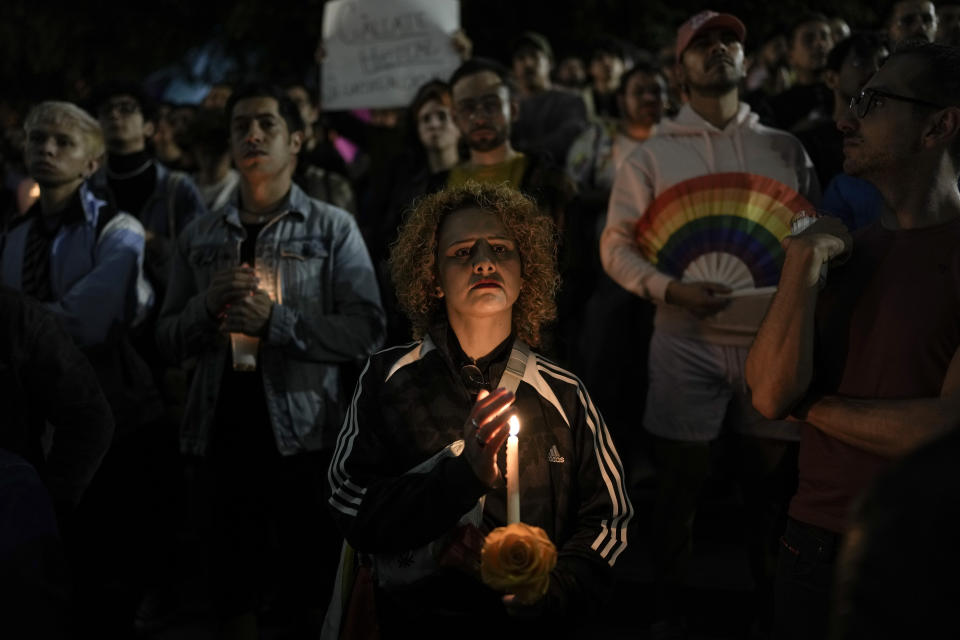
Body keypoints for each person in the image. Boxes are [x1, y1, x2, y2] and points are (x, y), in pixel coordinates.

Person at [326, 181, 632, 639]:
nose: (485, 261)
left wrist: (552, 591)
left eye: (502, 249)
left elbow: (608, 519)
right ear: (431, 276)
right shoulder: (387, 378)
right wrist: (464, 478)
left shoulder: (564, 394)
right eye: (463, 251)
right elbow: (349, 505)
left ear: (526, 271)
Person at [600, 10, 820, 636]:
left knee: (772, 492)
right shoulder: (650, 157)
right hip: (682, 341)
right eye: (703, 44)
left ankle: (770, 607)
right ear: (680, 69)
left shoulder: (785, 148)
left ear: (746, 63)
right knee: (676, 490)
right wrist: (669, 288)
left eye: (730, 41)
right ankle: (671, 607)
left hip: (769, 342)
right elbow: (615, 245)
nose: (719, 49)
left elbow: (815, 235)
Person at [745, 41, 960, 640]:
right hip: (810, 544)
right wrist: (800, 263)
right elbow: (765, 393)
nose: (846, 118)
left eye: (873, 101)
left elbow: (945, 429)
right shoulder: (842, 251)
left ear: (939, 125)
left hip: (927, 549)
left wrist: (808, 405)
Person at [156, 83, 385, 639]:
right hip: (219, 435)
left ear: (297, 140)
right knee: (231, 587)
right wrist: (204, 308)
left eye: (267, 125)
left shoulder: (331, 228)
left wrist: (277, 324)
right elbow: (163, 341)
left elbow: (368, 331)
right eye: (240, 127)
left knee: (305, 588)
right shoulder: (200, 235)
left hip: (304, 439)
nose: (252, 135)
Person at [0, 100, 162, 637]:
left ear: (92, 163)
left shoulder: (119, 231)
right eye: (37, 139)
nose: (45, 149)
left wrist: (22, 324)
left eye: (62, 142)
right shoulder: (15, 236)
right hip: (36, 426)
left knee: (106, 565)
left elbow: (88, 320)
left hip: (114, 414)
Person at [509, 31, 589, 166]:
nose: (527, 63)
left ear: (550, 63)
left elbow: (569, 138)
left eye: (534, 56)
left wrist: (520, 151)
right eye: (521, 58)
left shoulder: (571, 100)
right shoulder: (507, 106)